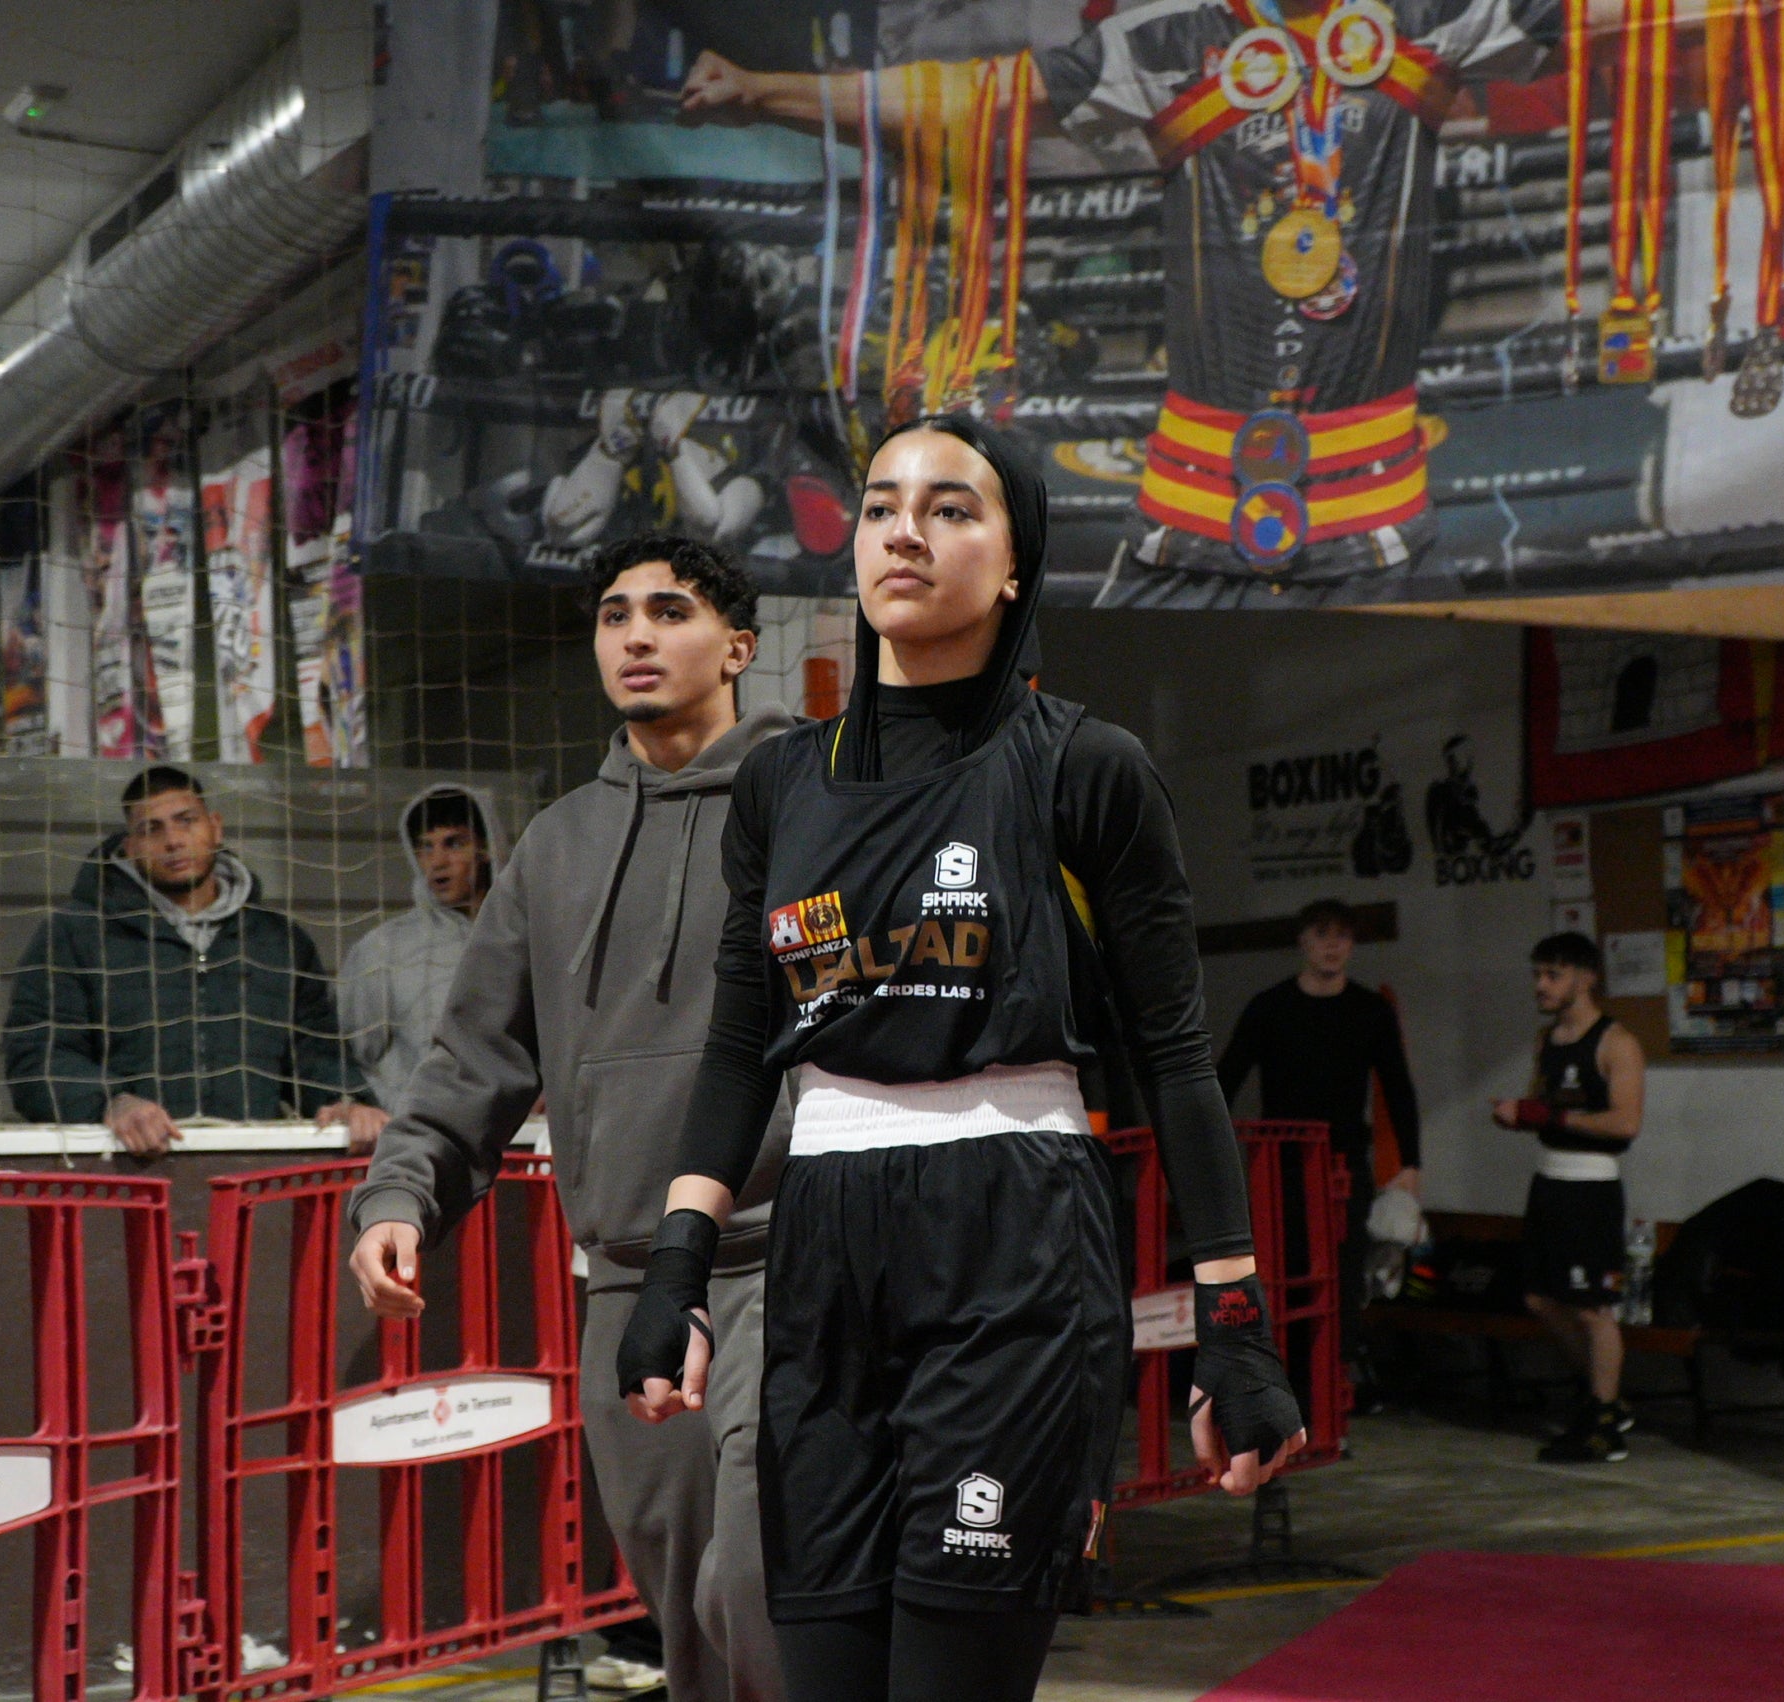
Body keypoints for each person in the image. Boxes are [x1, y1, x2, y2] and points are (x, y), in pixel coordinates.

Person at [608, 416, 1306, 1702]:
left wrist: (1235, 1319)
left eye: (950, 508)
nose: (905, 534)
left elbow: (1174, 1053)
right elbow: (737, 1043)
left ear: (1017, 560)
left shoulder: (1088, 770)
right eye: (879, 507)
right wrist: (678, 1267)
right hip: (823, 1244)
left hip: (1016, 1242)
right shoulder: (780, 786)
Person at [675, 0, 1560, 607]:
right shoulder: (1168, 42)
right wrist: (761, 91)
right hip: (1186, 524)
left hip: (1383, 530)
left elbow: (1650, 21)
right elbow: (973, 100)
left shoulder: (1433, 18)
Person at [347, 535, 795, 1702]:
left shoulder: (816, 803)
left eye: (668, 610)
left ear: (737, 647)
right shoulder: (555, 846)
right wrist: (401, 1193)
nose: (635, 634)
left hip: (793, 1266)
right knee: (689, 1615)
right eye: (612, 615)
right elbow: (473, 1061)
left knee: (762, 1579)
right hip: (631, 1285)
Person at [2, 765, 378, 1154]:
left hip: (256, 1170)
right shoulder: (73, 935)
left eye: (187, 821)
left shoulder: (278, 940)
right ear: (129, 846)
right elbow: (37, 1056)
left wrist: (347, 1100)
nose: (174, 841)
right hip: (124, 1175)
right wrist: (112, 1102)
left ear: (215, 827)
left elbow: (313, 1051)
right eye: (152, 829)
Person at [1219, 896, 1420, 1385]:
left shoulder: (1370, 1010)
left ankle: (1335, 1387)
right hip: (1281, 1163)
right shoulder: (1270, 1007)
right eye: (1322, 934)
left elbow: (1398, 1089)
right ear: (1302, 941)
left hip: (1343, 1162)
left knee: (1344, 1274)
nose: (1332, 946)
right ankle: (1286, 1387)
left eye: (1342, 936)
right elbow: (1225, 1079)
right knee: (1281, 1272)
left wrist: (1412, 1164)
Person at [1490, 933, 1644, 1464]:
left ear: (1586, 977)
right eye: (1538, 974)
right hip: (1549, 1181)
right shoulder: (1545, 1040)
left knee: (1593, 1307)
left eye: (1552, 974)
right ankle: (1606, 1398)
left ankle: (1604, 1421)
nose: (1541, 985)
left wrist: (1550, 1117)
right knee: (1540, 1297)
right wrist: (1519, 1114)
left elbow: (1626, 1122)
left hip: (1592, 1187)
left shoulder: (1616, 1042)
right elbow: (1542, 1105)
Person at [338, 784, 508, 1124]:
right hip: (420, 1142)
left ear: (486, 847)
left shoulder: (526, 940)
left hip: (519, 1136)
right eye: (425, 848)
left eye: (454, 843)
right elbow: (347, 1057)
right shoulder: (382, 950)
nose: (437, 862)